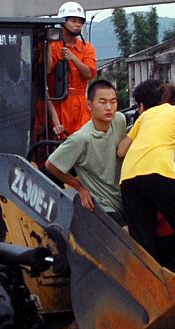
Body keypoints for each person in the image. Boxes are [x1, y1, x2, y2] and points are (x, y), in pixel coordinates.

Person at [117, 81, 175, 296]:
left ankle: (148, 294)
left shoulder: (149, 114)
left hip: (128, 177)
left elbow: (121, 150)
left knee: (143, 241)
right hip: (161, 173)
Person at [45, 80, 127, 226]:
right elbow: (51, 164)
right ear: (89, 105)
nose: (109, 107)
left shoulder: (120, 120)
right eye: (102, 102)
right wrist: (80, 187)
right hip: (102, 205)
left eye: (113, 102)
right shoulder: (81, 138)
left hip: (123, 197)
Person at [47, 1, 97, 138]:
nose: (78, 25)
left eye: (80, 22)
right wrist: (48, 45)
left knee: (83, 139)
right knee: (61, 140)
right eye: (73, 21)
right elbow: (47, 70)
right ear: (63, 22)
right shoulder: (53, 46)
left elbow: (89, 73)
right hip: (59, 100)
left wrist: (72, 58)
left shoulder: (87, 48)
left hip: (80, 102)